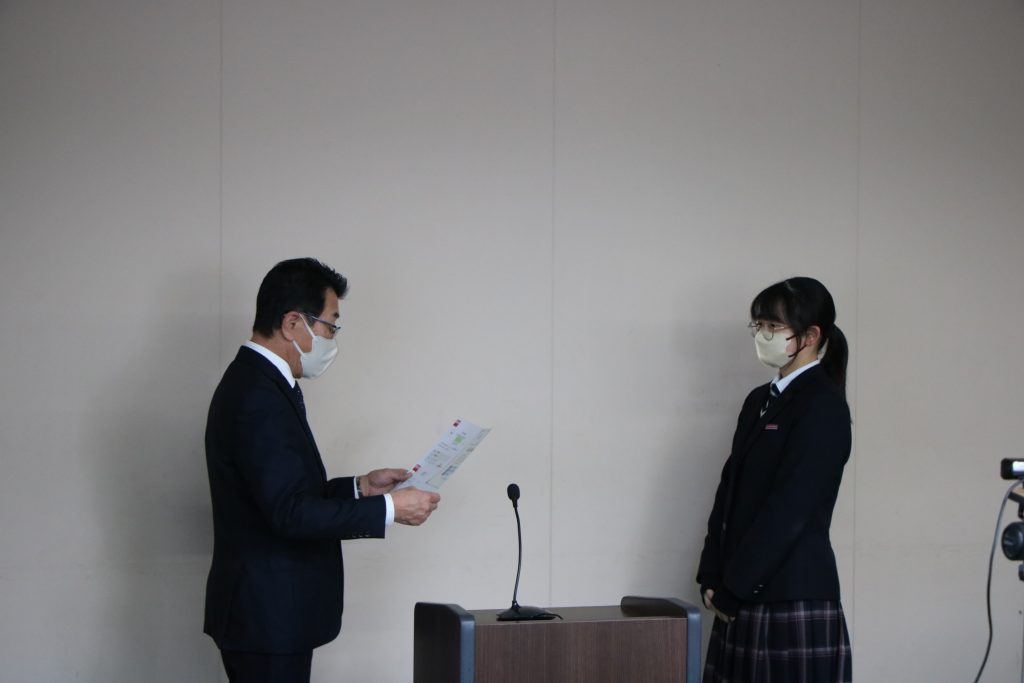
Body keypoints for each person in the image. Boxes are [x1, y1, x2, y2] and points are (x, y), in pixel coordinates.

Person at [203, 257, 441, 683]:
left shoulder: (264, 383)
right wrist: (390, 509)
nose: (332, 339)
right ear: (293, 323)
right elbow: (289, 513)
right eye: (331, 326)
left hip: (273, 616)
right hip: (266, 617)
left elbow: (285, 494)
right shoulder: (256, 394)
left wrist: (361, 487)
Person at [696, 276, 852, 683]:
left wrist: (734, 587)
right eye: (759, 325)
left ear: (811, 335)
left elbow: (791, 509)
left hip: (790, 594)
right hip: (741, 592)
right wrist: (711, 572)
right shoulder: (757, 401)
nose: (763, 335)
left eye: (774, 326)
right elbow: (729, 490)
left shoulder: (823, 405)